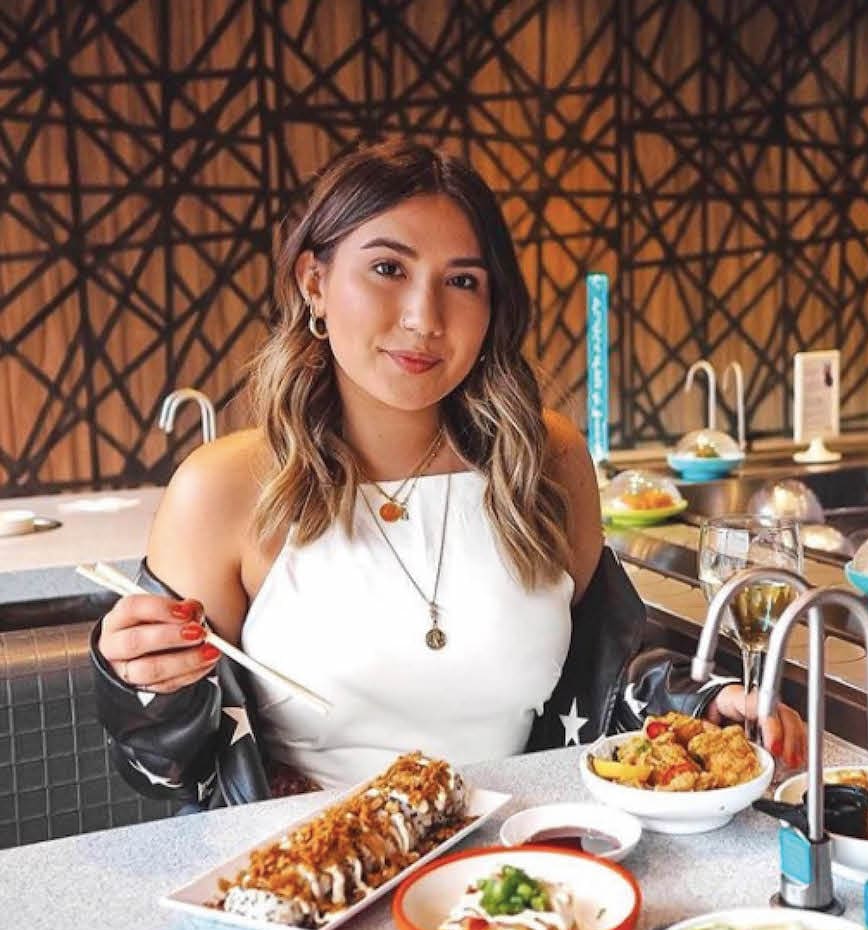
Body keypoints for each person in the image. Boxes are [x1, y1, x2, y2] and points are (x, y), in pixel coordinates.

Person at [91, 140, 805, 807]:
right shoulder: (223, 488)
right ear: (314, 280)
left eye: (461, 280)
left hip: (524, 862)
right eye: (388, 269)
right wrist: (139, 680)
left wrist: (698, 709)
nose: (424, 317)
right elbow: (163, 768)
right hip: (309, 882)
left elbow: (605, 682)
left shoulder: (545, 461)